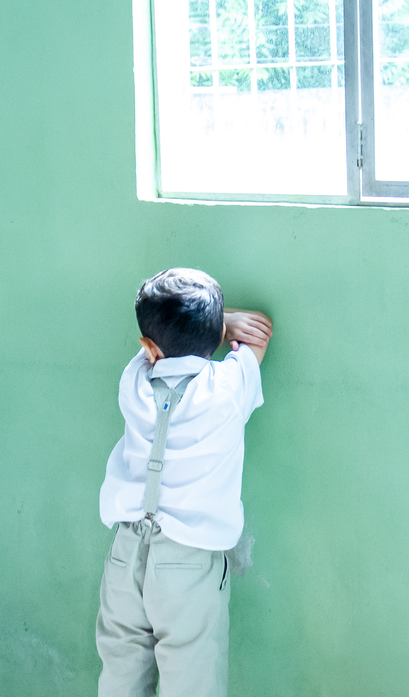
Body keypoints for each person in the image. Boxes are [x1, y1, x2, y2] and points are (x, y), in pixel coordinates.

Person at [96, 267, 273, 697]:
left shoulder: (133, 382)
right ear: (214, 339)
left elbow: (155, 352)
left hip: (126, 554)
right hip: (189, 562)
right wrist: (226, 325)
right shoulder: (228, 387)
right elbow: (258, 340)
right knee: (191, 679)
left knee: (121, 671)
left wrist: (213, 323)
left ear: (148, 346)